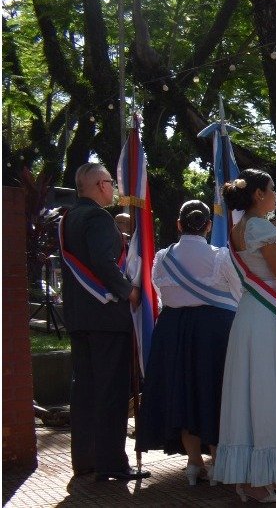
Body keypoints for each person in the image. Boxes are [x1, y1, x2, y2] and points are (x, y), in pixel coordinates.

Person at [215, 169, 276, 502]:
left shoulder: (240, 228)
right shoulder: (260, 228)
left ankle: (269, 474)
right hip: (265, 317)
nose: (275, 195)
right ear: (258, 194)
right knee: (270, 393)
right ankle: (258, 480)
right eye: (272, 190)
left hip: (251, 314)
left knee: (254, 393)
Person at [137, 200, 239, 486]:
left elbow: (160, 296)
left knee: (182, 394)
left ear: (178, 224)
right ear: (209, 226)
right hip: (214, 333)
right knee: (213, 391)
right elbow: (238, 294)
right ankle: (218, 461)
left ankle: (194, 462)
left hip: (172, 331)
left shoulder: (163, 257)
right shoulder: (221, 257)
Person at [60, 163, 147, 482]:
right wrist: (129, 291)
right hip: (107, 317)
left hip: (80, 317)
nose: (114, 189)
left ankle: (85, 459)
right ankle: (111, 463)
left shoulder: (68, 217)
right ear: (99, 185)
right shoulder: (98, 217)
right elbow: (102, 261)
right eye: (110, 182)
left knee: (84, 390)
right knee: (110, 391)